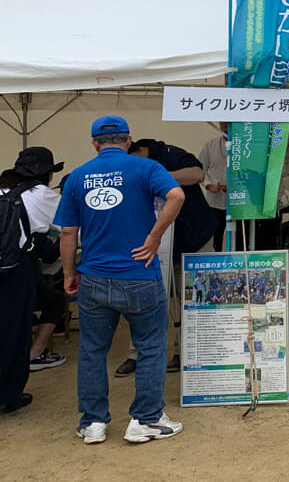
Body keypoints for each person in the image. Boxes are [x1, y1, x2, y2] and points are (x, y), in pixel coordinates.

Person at [55, 116, 186, 444]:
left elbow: (68, 232)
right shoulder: (146, 167)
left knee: (92, 350)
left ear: (95, 143)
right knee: (151, 347)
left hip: (95, 277)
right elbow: (177, 196)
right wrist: (155, 237)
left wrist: (70, 273)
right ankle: (146, 419)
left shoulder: (77, 176)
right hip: (140, 275)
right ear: (128, 141)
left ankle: (93, 423)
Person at [115, 137, 214, 376]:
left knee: (193, 298)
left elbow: (197, 175)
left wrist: (154, 176)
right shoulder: (122, 169)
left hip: (195, 238)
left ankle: (186, 352)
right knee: (144, 300)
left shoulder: (170, 153)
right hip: (153, 244)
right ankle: (136, 354)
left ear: (139, 150)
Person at [0, 147, 65, 413]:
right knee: (14, 331)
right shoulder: (41, 196)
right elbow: (69, 227)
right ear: (47, 174)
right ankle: (10, 395)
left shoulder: (2, 189)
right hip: (16, 270)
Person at [198, 123, 228, 252]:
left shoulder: (246, 146)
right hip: (215, 200)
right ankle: (217, 258)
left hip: (239, 200)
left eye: (228, 122)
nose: (225, 126)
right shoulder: (210, 145)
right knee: (215, 234)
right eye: (223, 123)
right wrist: (209, 184)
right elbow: (200, 170)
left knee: (238, 235)